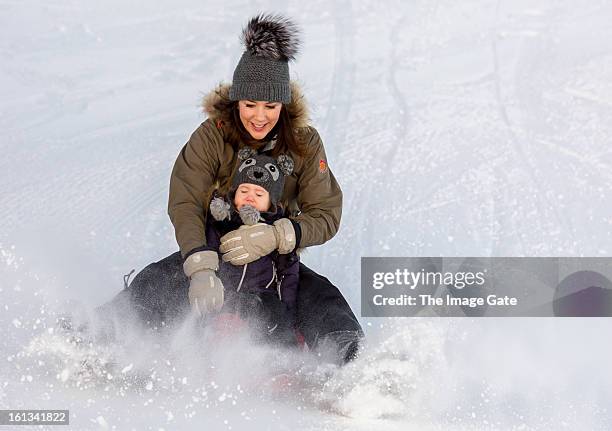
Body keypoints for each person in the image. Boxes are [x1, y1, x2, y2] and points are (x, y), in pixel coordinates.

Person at [99, 13, 363, 364]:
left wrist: (277, 236)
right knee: (156, 282)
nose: (259, 116)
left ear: (283, 105)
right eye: (249, 104)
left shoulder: (303, 142)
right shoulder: (213, 135)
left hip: (275, 265)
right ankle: (97, 337)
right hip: (215, 251)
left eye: (270, 106)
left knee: (323, 298)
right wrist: (200, 265)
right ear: (236, 101)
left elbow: (326, 212)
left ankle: (355, 365)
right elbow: (186, 200)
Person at [201, 150, 300, 347]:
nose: (250, 197)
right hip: (224, 292)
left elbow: (288, 273)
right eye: (244, 191)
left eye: (259, 194)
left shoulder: (276, 229)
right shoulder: (221, 223)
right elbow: (208, 251)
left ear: (272, 201)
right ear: (234, 193)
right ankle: (196, 355)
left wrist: (288, 310)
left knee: (276, 318)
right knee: (205, 314)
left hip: (261, 296)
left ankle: (284, 362)